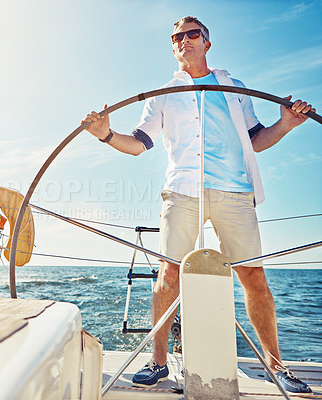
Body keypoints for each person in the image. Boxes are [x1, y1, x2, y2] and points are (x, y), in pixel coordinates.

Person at [81, 16, 315, 395]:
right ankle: (158, 363)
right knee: (168, 274)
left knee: (253, 276)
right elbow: (139, 143)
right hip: (182, 190)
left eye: (192, 34)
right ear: (173, 45)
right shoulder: (162, 92)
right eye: (177, 36)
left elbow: (256, 138)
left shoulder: (234, 87)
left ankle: (277, 366)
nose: (184, 40)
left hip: (234, 191)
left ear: (207, 43)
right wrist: (105, 134)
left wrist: (286, 123)